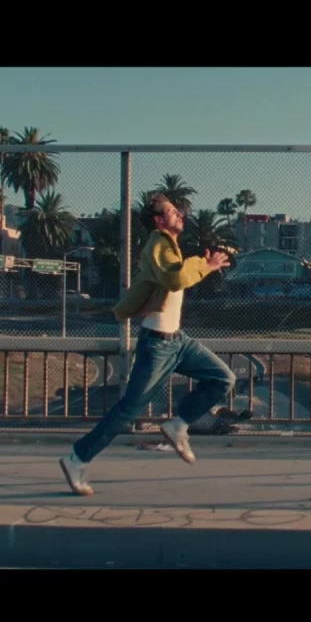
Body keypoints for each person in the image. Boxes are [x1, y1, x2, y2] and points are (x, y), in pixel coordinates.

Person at [59, 192, 234, 496]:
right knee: (129, 410)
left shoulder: (170, 246)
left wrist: (204, 265)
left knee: (223, 378)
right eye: (172, 212)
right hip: (157, 346)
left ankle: (179, 425)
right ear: (159, 220)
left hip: (178, 341)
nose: (180, 214)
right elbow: (175, 279)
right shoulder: (157, 245)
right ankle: (76, 458)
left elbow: (177, 279)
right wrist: (204, 265)